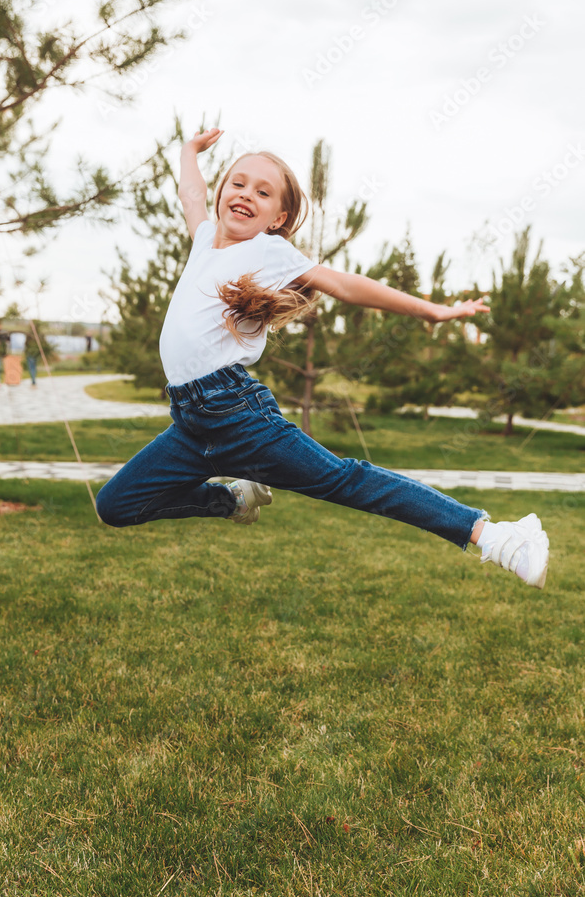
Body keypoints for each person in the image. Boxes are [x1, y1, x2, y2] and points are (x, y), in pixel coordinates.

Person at [96, 129, 549, 590]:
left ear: (278, 217)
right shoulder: (205, 239)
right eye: (238, 183)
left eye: (262, 192)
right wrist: (189, 151)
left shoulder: (269, 252)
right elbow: (190, 194)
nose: (246, 195)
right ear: (221, 192)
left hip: (237, 415)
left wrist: (431, 310)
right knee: (116, 505)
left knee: (347, 481)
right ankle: (233, 500)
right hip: (190, 423)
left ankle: (498, 537)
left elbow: (347, 284)